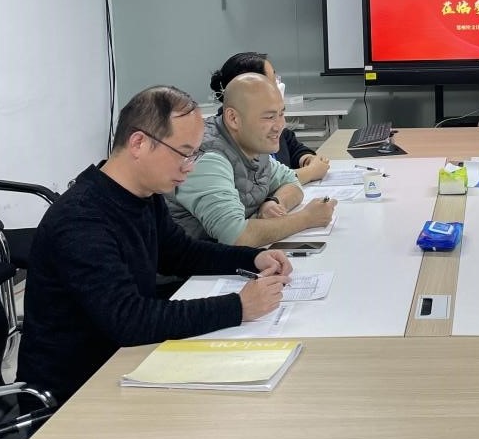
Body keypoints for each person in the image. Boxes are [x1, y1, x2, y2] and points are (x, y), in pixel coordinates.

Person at [16, 86, 293, 404]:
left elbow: (182, 254)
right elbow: (130, 320)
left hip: (125, 363)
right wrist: (238, 306)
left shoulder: (143, 194)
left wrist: (252, 258)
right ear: (139, 143)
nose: (189, 166)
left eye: (195, 154)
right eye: (184, 153)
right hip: (75, 393)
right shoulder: (81, 219)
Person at [167, 73, 336, 245]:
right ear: (233, 118)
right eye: (269, 117)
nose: (280, 125)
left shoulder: (251, 142)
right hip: (197, 261)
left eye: (281, 114)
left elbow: (291, 181)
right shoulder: (208, 159)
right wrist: (306, 218)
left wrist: (274, 203)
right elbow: (237, 237)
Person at [210, 51, 330, 184]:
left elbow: (292, 147)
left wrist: (306, 159)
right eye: (273, 81)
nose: (278, 85)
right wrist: (311, 172)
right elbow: (258, 184)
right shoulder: (223, 146)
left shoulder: (271, 124)